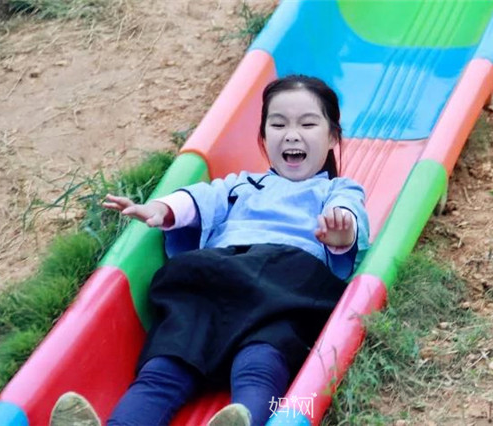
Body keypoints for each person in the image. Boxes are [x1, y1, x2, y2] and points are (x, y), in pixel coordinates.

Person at [50, 75, 370, 426]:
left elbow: (348, 216)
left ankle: (244, 420)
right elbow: (200, 199)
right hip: (215, 285)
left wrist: (341, 232)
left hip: (284, 292)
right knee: (163, 366)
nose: (291, 134)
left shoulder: (336, 190)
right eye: (278, 124)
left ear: (333, 137)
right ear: (264, 137)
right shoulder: (242, 184)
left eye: (307, 124)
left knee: (260, 365)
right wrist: (160, 209)